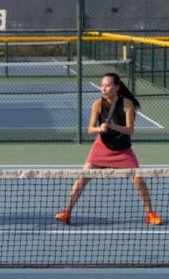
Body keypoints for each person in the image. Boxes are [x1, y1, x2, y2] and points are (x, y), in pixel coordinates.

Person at [54, 71, 162, 226]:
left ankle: (150, 213)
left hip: (122, 150)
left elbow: (130, 130)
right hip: (101, 147)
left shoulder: (127, 104)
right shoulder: (97, 104)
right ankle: (67, 212)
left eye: (107, 85)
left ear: (117, 87)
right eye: (102, 85)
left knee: (138, 180)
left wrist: (113, 126)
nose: (103, 88)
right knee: (82, 179)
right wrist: (100, 129)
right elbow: (90, 129)